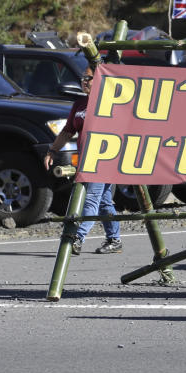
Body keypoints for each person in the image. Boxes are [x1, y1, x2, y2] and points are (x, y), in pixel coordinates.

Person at [44, 65, 122, 254]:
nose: (84, 81)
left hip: (103, 159)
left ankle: (77, 237)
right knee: (104, 202)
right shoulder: (79, 104)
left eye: (88, 78)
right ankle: (114, 239)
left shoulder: (108, 102)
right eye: (82, 78)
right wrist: (52, 150)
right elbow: (68, 130)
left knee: (91, 199)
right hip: (85, 160)